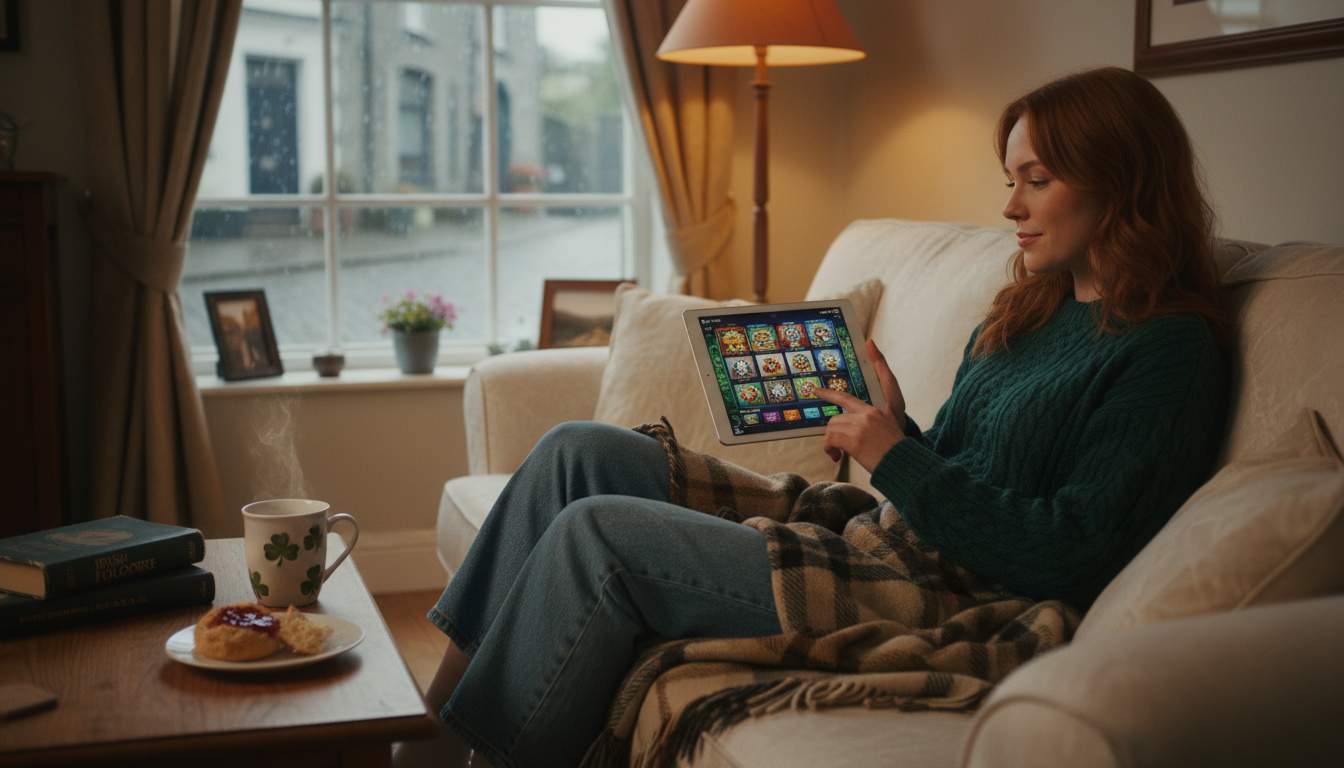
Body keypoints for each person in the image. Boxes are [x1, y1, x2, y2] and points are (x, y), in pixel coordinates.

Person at [393, 66, 1229, 768]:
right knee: (577, 451)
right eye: (1009, 179)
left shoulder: (1168, 351)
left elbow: (1070, 549)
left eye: (1037, 181)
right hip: (895, 536)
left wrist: (897, 454)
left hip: (952, 595)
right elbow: (961, 472)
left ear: (1121, 183)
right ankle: (422, 735)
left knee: (599, 535)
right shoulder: (1026, 310)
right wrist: (901, 428)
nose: (1011, 206)